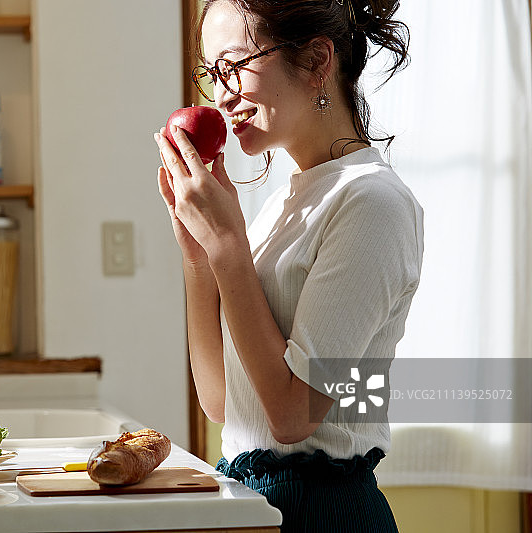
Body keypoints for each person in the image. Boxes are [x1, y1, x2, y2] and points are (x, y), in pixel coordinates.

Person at [153, 0, 423, 531]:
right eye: (213, 73)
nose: (223, 94)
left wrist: (228, 246)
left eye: (235, 65)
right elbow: (222, 402)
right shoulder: (283, 204)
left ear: (318, 59)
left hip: (324, 512)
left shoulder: (371, 202)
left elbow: (293, 415)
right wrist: (198, 255)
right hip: (252, 502)